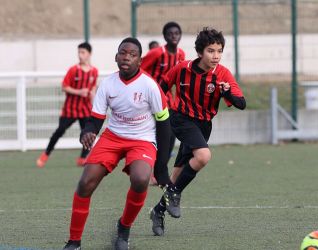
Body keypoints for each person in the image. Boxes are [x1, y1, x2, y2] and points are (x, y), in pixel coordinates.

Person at [63, 37, 171, 250]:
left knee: (140, 179)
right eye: (123, 52)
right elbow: (95, 119)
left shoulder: (150, 85)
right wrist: (88, 131)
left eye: (132, 54)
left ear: (140, 61)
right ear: (116, 57)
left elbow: (164, 125)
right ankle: (74, 242)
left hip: (142, 140)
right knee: (85, 183)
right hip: (112, 137)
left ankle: (124, 228)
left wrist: (161, 166)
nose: (127, 57)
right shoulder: (108, 84)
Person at [149, 27, 246, 236]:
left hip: (203, 125)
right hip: (180, 118)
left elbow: (241, 103)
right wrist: (155, 111)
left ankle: (158, 211)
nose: (216, 56)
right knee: (203, 156)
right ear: (200, 52)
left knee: (176, 177)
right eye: (211, 51)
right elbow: (161, 86)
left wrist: (227, 92)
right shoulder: (182, 68)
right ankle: (173, 194)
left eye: (219, 51)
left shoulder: (223, 75)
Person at [36, 42, 98, 168]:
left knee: (88, 134)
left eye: (83, 52)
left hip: (85, 109)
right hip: (70, 109)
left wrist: (94, 101)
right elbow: (64, 87)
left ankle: (82, 158)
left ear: (89, 54)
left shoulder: (94, 71)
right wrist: (79, 92)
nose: (80, 55)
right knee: (59, 131)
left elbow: (93, 90)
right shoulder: (73, 70)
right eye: (79, 52)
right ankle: (46, 154)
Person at [141, 22, 186, 186]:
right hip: (151, 101)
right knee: (156, 136)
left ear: (180, 35)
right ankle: (149, 171)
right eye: (170, 33)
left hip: (168, 103)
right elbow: (140, 69)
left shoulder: (181, 54)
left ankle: (159, 172)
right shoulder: (156, 53)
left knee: (170, 137)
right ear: (165, 36)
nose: (174, 36)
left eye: (177, 33)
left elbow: (179, 78)